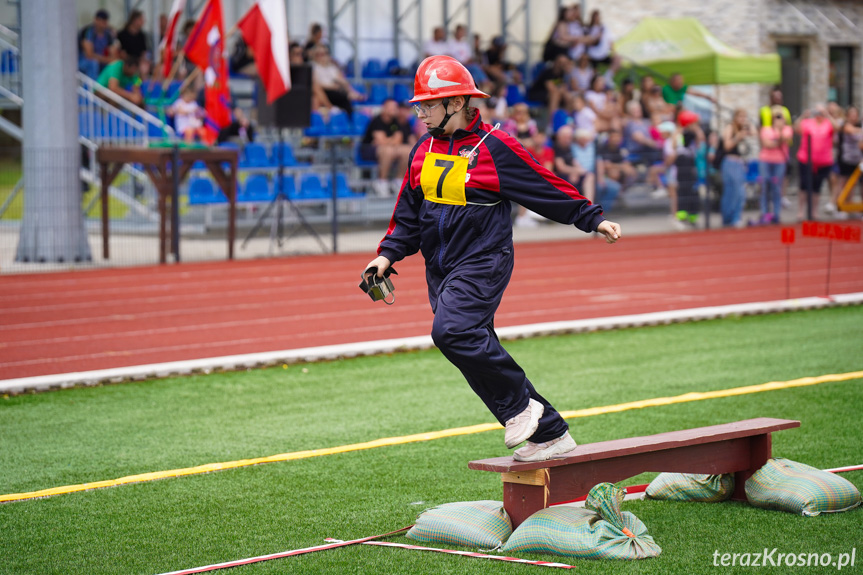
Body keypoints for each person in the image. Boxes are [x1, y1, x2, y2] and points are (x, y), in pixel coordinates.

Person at [362, 55, 621, 462]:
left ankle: (521, 408)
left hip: (484, 260)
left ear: (458, 103)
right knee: (474, 352)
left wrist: (591, 218)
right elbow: (408, 212)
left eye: (428, 105)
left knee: (452, 334)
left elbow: (544, 185)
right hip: (440, 270)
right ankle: (550, 433)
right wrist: (386, 256)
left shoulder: (495, 147)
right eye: (419, 105)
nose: (421, 113)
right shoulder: (422, 150)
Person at [360, 98, 415, 196]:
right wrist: (391, 140)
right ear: (384, 108)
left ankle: (398, 180)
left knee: (407, 150)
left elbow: (398, 139)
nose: (394, 110)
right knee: (388, 150)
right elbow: (381, 141)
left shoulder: (396, 121)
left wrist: (387, 141)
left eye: (395, 107)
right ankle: (382, 181)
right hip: (369, 149)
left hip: (387, 148)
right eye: (391, 107)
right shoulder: (377, 120)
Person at [794, 104, 834, 220]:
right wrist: (803, 116)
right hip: (806, 159)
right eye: (817, 112)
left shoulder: (828, 123)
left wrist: (827, 114)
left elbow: (837, 128)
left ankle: (814, 211)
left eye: (821, 113)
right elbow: (796, 128)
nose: (819, 115)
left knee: (817, 186)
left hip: (823, 161)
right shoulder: (807, 122)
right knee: (804, 185)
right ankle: (801, 211)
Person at [758, 106, 793, 224]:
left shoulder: (787, 129)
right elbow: (767, 144)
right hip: (766, 161)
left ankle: (776, 214)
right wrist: (778, 140)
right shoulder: (765, 129)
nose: (778, 120)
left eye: (780, 117)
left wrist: (778, 133)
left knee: (777, 188)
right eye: (776, 117)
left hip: (780, 161)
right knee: (765, 187)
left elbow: (787, 140)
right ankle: (764, 213)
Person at [719, 108, 753, 227]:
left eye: (744, 117)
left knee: (740, 192)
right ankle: (729, 218)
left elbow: (754, 134)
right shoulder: (730, 128)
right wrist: (737, 137)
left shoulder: (742, 128)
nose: (743, 120)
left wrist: (748, 125)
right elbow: (727, 146)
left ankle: (736, 217)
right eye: (741, 117)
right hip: (730, 163)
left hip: (739, 163)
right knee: (731, 192)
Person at [311, 45, 364, 118]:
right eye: (319, 54)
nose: (322, 57)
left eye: (324, 54)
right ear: (315, 56)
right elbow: (316, 84)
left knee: (346, 101)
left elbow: (342, 80)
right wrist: (333, 86)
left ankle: (351, 96)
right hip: (325, 90)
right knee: (343, 95)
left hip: (336, 90)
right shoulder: (313, 67)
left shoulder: (332, 68)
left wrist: (347, 88)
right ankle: (347, 97)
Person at [831, 105, 863, 216]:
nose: (854, 116)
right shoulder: (844, 125)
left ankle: (850, 207)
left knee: (854, 185)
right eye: (851, 114)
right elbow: (851, 131)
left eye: (855, 114)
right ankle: (839, 207)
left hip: (858, 160)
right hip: (845, 159)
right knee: (843, 183)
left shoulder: (859, 125)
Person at [526, 53, 573, 119]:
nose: (562, 64)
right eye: (560, 62)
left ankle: (565, 118)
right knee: (555, 94)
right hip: (537, 93)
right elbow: (551, 88)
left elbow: (563, 87)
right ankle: (552, 121)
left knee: (568, 96)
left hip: (551, 94)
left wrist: (568, 73)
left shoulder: (561, 74)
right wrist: (561, 90)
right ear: (556, 62)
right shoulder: (548, 72)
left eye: (564, 63)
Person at [78, 9, 117, 80]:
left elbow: (113, 54)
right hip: (83, 61)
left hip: (100, 60)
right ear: (96, 20)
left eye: (105, 21)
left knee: (115, 64)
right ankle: (92, 88)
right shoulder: (88, 32)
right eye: (101, 21)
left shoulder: (108, 34)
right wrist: (106, 59)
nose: (103, 24)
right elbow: (89, 55)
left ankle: (108, 87)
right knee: (93, 63)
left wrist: (110, 60)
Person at [117, 10, 150, 77]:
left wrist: (143, 60)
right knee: (133, 67)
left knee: (144, 67)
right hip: (126, 60)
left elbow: (144, 52)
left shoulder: (142, 35)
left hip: (137, 61)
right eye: (141, 20)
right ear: (135, 20)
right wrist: (130, 61)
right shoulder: (122, 34)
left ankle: (140, 84)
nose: (143, 22)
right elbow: (121, 52)